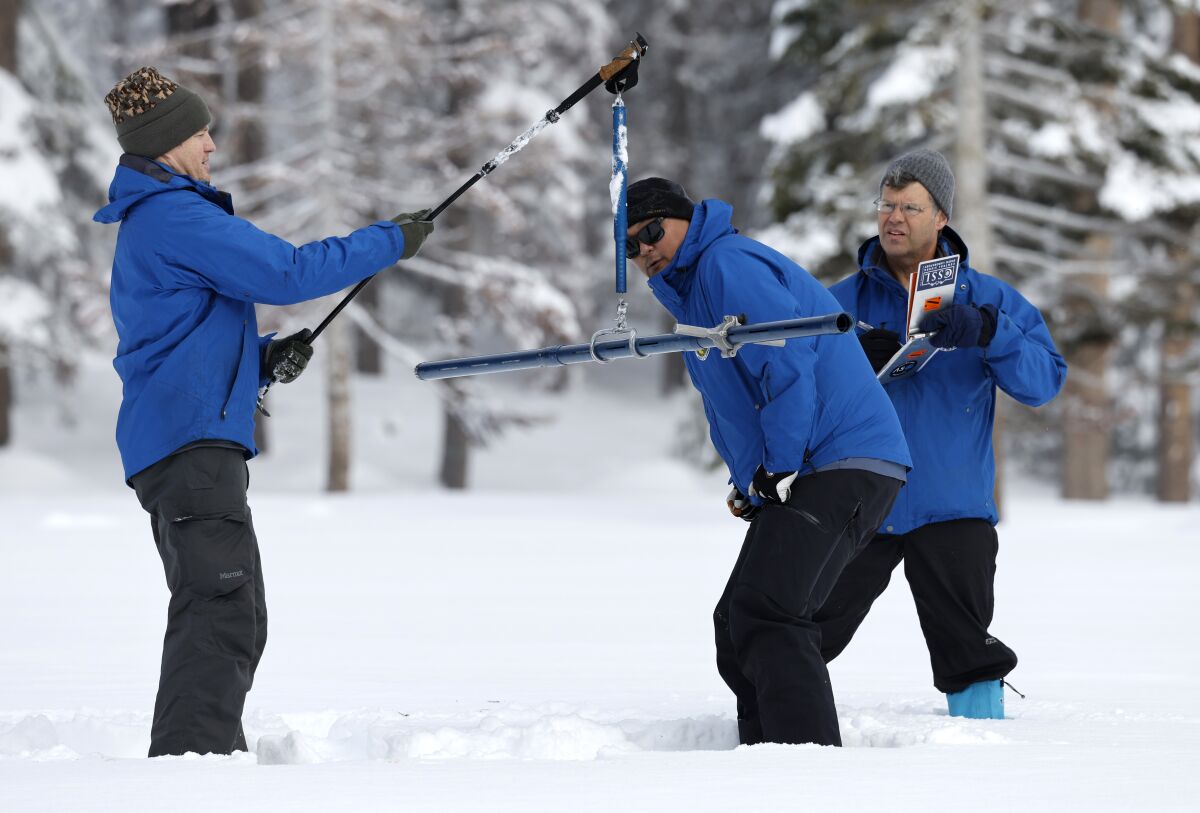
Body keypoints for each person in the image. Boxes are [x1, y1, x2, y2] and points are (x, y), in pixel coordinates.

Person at [93, 66, 434, 757]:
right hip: (191, 447)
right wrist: (389, 241)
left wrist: (260, 357)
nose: (213, 144)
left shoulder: (160, 219)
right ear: (165, 144)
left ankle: (202, 757)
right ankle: (193, 771)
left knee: (234, 610)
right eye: (199, 131)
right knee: (220, 609)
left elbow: (178, 336)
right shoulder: (172, 216)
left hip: (188, 441)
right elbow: (288, 272)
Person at [626, 177, 911, 747]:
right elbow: (736, 402)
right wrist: (751, 481)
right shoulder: (692, 290)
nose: (644, 251)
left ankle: (804, 770)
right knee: (735, 624)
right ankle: (763, 764)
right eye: (629, 247)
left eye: (652, 232)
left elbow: (786, 365)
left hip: (843, 457)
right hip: (815, 464)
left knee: (770, 613)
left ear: (685, 220)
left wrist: (779, 464)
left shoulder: (726, 264)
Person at [819, 149, 1067, 719]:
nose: (893, 217)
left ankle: (982, 758)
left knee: (968, 651)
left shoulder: (989, 299)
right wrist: (849, 357)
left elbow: (1044, 382)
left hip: (952, 505)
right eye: (886, 204)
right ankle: (771, 738)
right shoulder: (838, 304)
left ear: (941, 219)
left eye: (910, 206)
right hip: (857, 501)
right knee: (799, 624)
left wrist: (988, 332)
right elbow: (792, 387)